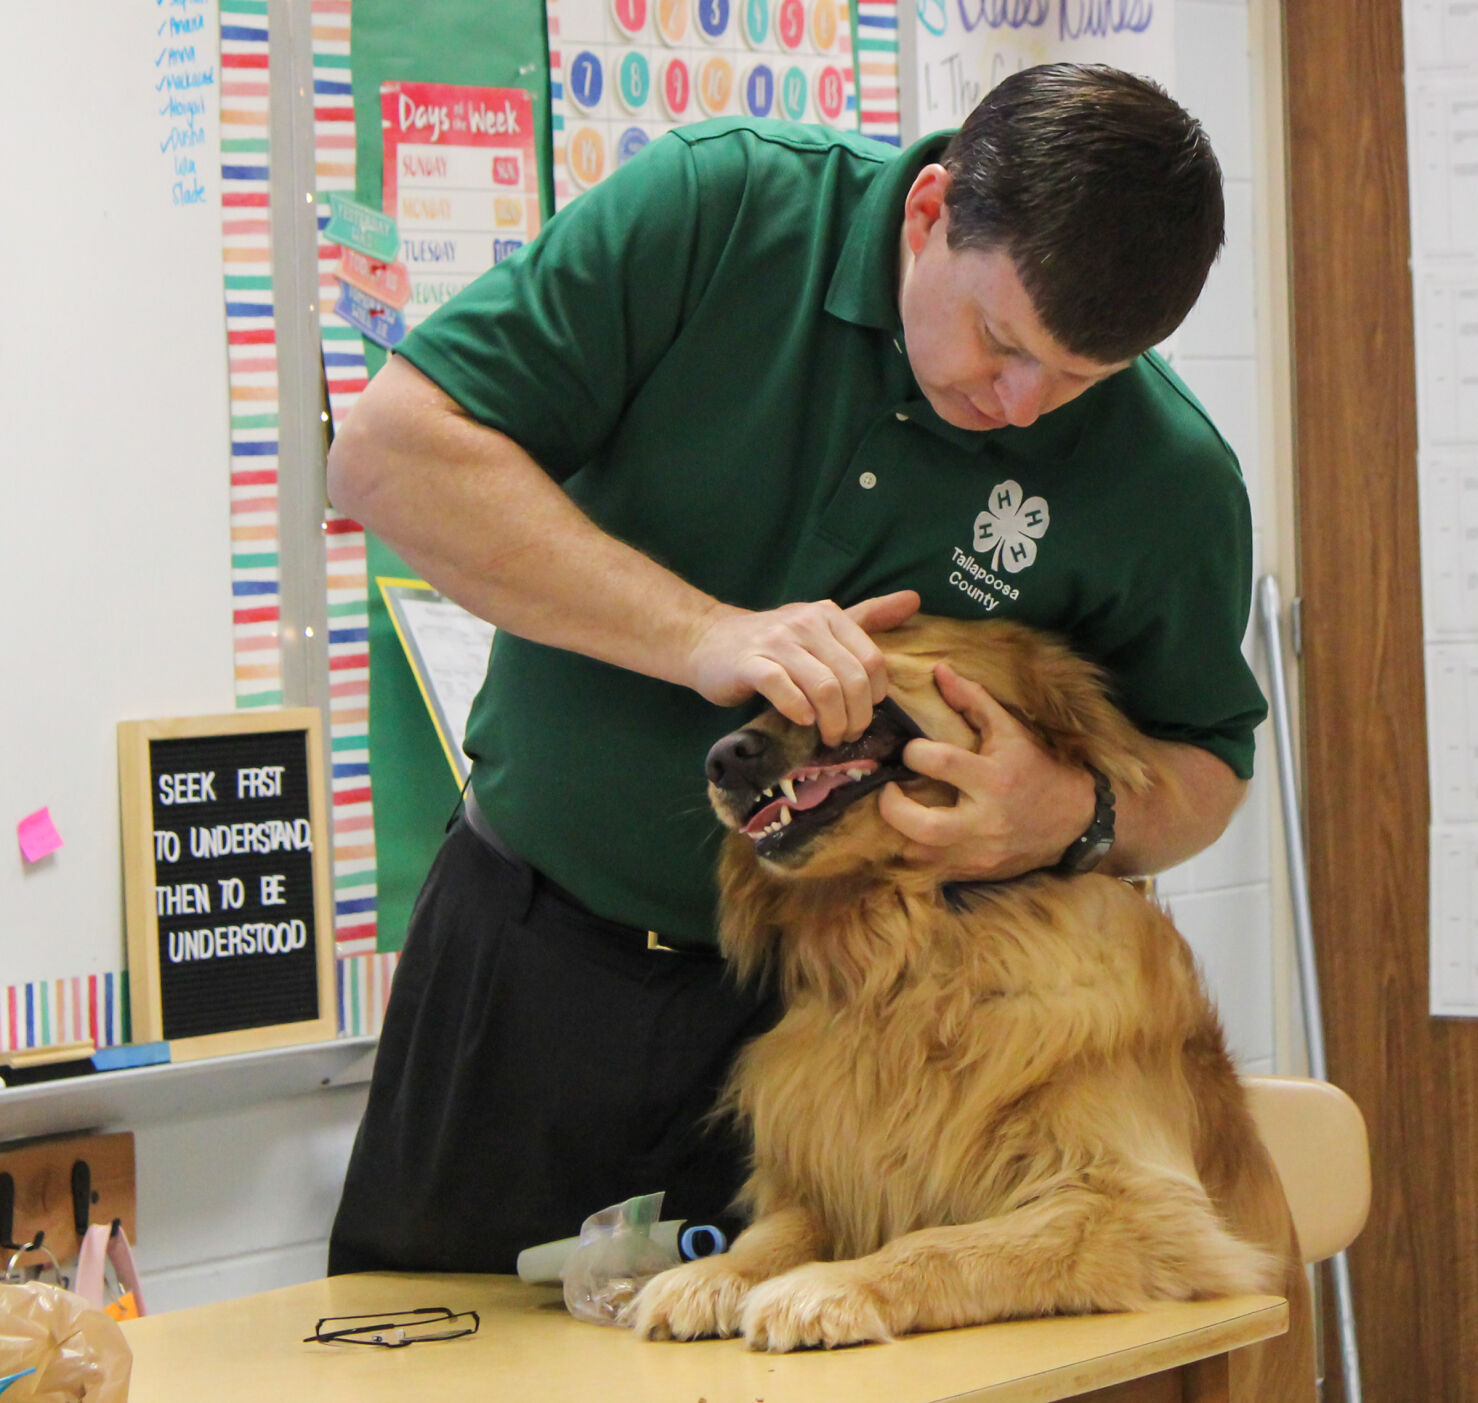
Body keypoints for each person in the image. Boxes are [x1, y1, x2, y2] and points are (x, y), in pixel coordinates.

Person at [325, 63, 1267, 1275]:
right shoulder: (718, 212)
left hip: (850, 1025)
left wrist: (1071, 815)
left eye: (1078, 378)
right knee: (422, 1337)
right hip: (529, 957)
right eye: (997, 341)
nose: (1021, 406)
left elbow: (1206, 766)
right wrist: (702, 632)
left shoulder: (1167, 478)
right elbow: (387, 456)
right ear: (927, 212)